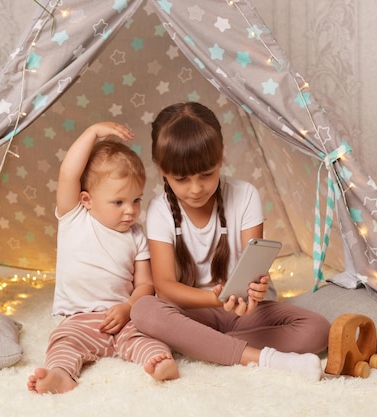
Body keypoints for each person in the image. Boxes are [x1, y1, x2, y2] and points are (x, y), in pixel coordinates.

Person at [130, 102, 331, 382]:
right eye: (182, 179)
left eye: (206, 175)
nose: (196, 189)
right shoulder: (159, 209)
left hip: (245, 313)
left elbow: (253, 272)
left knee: (317, 329)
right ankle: (263, 358)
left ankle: (202, 344)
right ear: (161, 169)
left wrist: (254, 293)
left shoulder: (245, 195)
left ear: (221, 156)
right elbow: (164, 287)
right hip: (194, 310)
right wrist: (213, 298)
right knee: (143, 310)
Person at [27, 122, 179, 394]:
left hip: (125, 318)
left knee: (147, 336)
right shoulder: (74, 217)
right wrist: (92, 133)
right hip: (81, 318)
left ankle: (159, 363)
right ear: (86, 199)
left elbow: (145, 285)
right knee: (63, 342)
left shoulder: (137, 236)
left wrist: (129, 306)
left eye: (136, 200)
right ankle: (62, 376)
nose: (130, 211)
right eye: (118, 202)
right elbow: (68, 173)